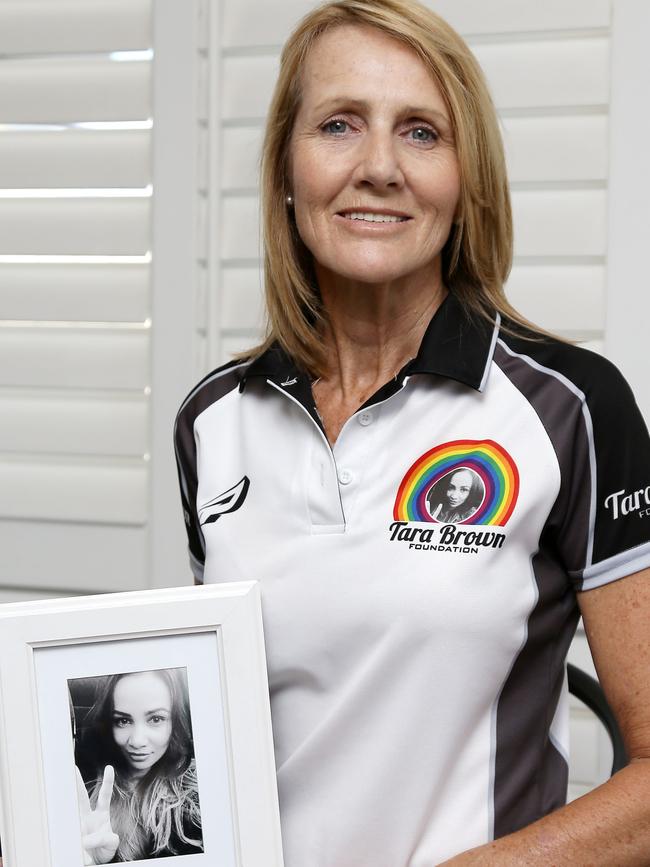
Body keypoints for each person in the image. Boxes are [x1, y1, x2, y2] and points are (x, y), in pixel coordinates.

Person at [174, 0, 650, 864]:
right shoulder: (212, 422)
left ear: (468, 178)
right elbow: (216, 735)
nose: (379, 167)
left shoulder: (570, 407)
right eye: (339, 125)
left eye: (422, 132)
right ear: (287, 166)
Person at [74, 669, 203, 863]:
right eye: (123, 721)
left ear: (175, 722)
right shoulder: (90, 791)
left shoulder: (196, 800)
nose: (137, 741)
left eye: (156, 719)